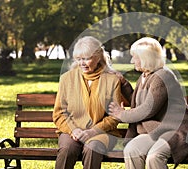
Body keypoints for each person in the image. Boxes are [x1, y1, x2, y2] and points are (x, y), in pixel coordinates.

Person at [108, 37, 188, 169]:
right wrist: (124, 83)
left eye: (134, 57)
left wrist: (121, 114)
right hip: (155, 130)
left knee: (154, 156)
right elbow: (138, 102)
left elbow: (147, 109)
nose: (131, 61)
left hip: (175, 132)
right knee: (132, 150)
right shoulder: (145, 76)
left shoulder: (163, 77)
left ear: (145, 58)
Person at [52, 36, 132, 169]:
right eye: (79, 59)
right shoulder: (66, 79)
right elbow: (59, 113)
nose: (82, 63)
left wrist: (93, 131)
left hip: (103, 133)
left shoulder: (112, 80)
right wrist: (74, 130)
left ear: (98, 57)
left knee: (92, 147)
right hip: (72, 131)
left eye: (86, 59)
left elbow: (114, 116)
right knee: (67, 149)